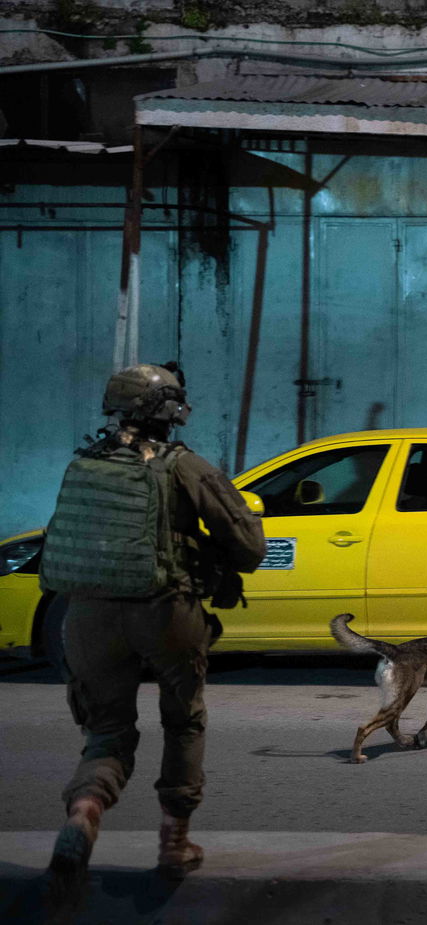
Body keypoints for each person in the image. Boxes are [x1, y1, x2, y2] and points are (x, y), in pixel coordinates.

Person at [38, 363, 265, 910]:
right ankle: (174, 844)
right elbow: (250, 548)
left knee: (106, 732)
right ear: (170, 413)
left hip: (87, 617)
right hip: (165, 611)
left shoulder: (85, 464)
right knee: (183, 719)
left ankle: (84, 813)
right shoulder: (183, 466)